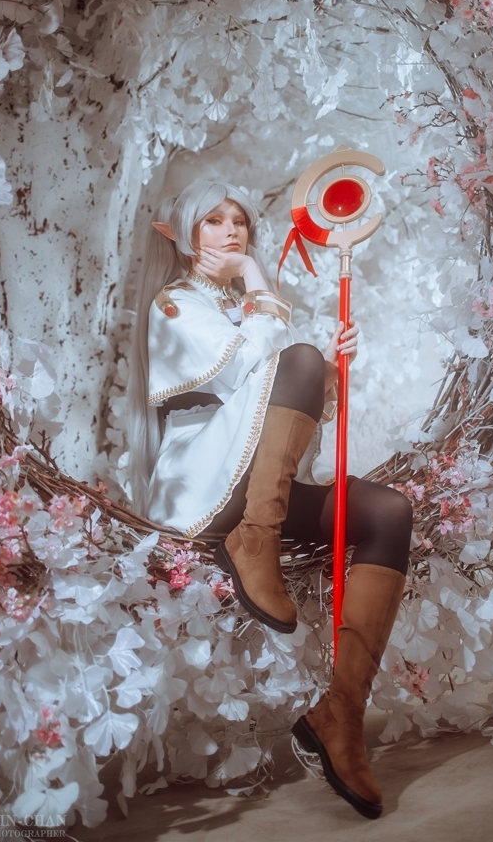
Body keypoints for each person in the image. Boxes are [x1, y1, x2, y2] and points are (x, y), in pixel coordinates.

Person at [128, 179, 413, 820]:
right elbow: (244, 373)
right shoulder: (174, 304)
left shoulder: (239, 308)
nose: (232, 231)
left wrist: (327, 373)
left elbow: (271, 410)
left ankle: (341, 713)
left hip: (257, 486)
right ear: (186, 235)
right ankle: (251, 542)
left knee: (389, 512)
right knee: (301, 356)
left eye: (240, 222)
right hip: (203, 489)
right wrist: (260, 281)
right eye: (214, 221)